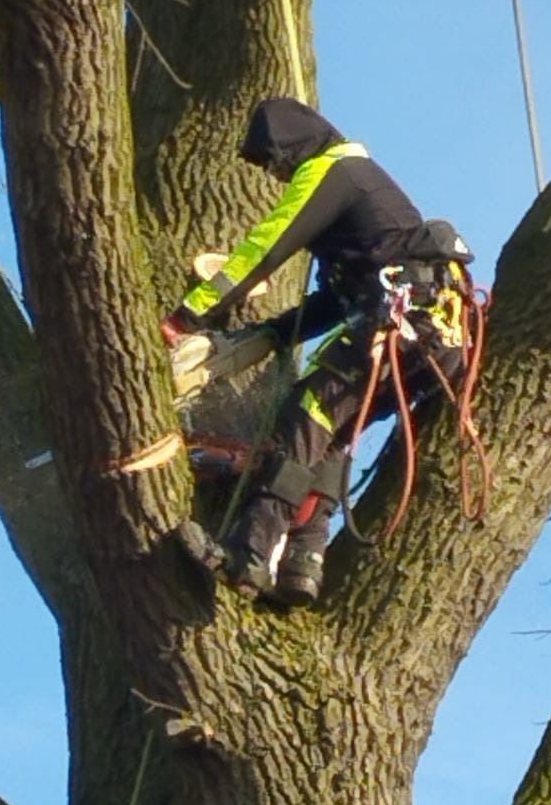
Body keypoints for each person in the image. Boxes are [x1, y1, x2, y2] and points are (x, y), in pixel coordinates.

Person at [162, 97, 473, 604]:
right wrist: (270, 335)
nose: (281, 175)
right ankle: (303, 564)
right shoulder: (372, 198)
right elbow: (336, 299)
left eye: (279, 162)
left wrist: (188, 316)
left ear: (293, 141)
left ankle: (250, 556)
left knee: (304, 416)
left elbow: (266, 247)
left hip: (396, 328)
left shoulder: (334, 169)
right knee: (331, 439)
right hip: (436, 342)